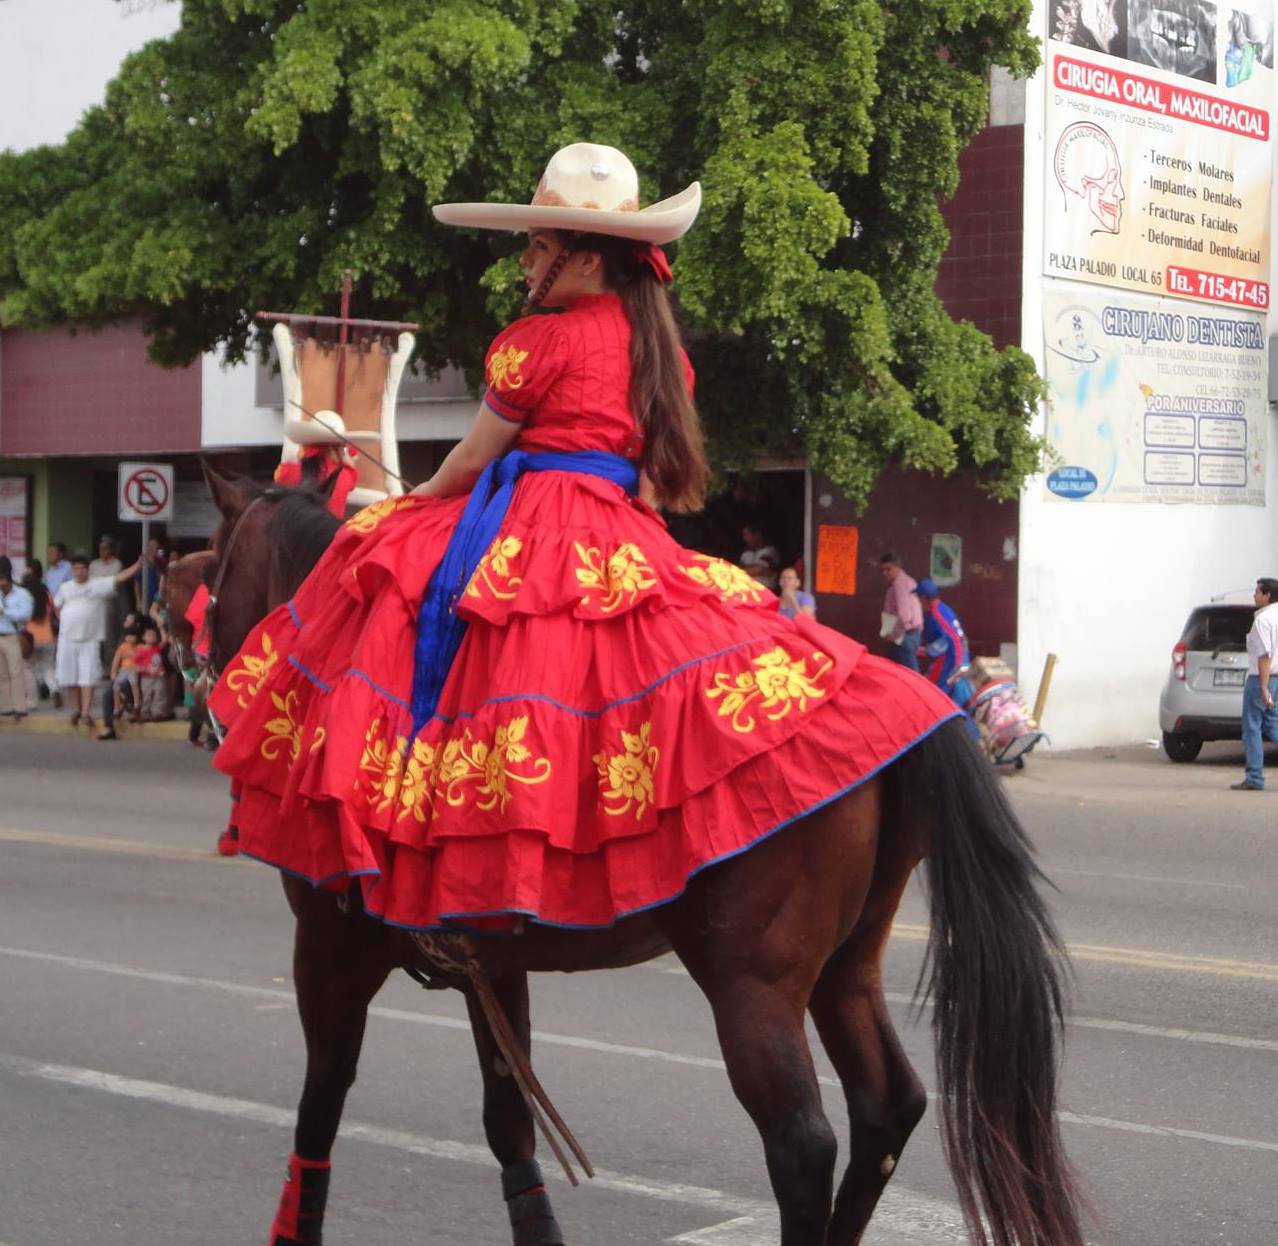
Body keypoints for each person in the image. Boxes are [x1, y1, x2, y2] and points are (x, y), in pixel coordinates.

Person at [209, 140, 958, 942]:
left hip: (532, 517)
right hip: (617, 521)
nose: (527, 262)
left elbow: (471, 457)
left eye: (539, 245)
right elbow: (649, 479)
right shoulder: (659, 350)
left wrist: (411, 499)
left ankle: (408, 829)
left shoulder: (539, 341)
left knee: (391, 582)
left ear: (584, 256)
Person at [53, 551, 142, 732]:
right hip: (67, 638)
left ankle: (86, 712)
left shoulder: (97, 585)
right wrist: (65, 620)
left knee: (88, 676)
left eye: (82, 568)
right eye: (76, 568)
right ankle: (76, 710)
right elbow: (56, 605)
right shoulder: (65, 587)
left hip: (90, 639)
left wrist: (138, 565)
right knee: (70, 676)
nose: (79, 572)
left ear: (88, 570)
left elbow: (119, 577)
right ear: (72, 570)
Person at [1231, 576, 1278, 791]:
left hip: (1262, 678)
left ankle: (1255, 777)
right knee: (1272, 725)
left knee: (1252, 727)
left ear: (1267, 595)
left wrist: (1263, 686)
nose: (1254, 595)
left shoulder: (1263, 620)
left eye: (1258, 592)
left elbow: (1264, 655)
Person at [916, 578, 976, 714]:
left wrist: (959, 665)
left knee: (938, 697)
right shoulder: (943, 609)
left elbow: (953, 639)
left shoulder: (937, 613)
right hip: (957, 661)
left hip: (952, 663)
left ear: (925, 599)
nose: (918, 603)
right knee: (954, 702)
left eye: (918, 598)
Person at [0, 557, 34, 720]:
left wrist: (5, 612)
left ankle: (20, 707)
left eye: (3, 579)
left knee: (16, 672)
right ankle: (6, 707)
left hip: (13, 636)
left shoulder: (22, 594)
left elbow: (26, 615)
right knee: (2, 674)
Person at [19, 559, 57, 704]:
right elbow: (53, 611)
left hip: (29, 637)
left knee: (30, 667)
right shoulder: (46, 592)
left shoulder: (23, 595)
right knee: (47, 666)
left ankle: (36, 694)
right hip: (47, 636)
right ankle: (54, 689)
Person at [878, 551, 923, 671]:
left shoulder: (899, 584)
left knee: (908, 676)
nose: (885, 573)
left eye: (888, 569)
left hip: (902, 636)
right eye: (883, 570)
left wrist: (892, 635)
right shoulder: (909, 581)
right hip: (910, 633)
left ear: (897, 567)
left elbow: (905, 616)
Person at [135, 623, 170, 722]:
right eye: (149, 635)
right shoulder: (140, 650)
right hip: (146, 677)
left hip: (159, 676)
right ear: (143, 637)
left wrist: (161, 627)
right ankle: (145, 713)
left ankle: (158, 713)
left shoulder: (157, 648)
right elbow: (135, 665)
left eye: (154, 635)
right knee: (146, 695)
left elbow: (164, 640)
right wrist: (145, 669)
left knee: (160, 693)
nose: (152, 637)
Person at [740, 525, 781, 592]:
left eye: (747, 534)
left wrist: (744, 568)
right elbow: (737, 570)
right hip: (748, 592)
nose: (744, 538)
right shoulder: (746, 553)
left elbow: (759, 570)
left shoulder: (770, 551)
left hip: (766, 593)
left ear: (757, 535)